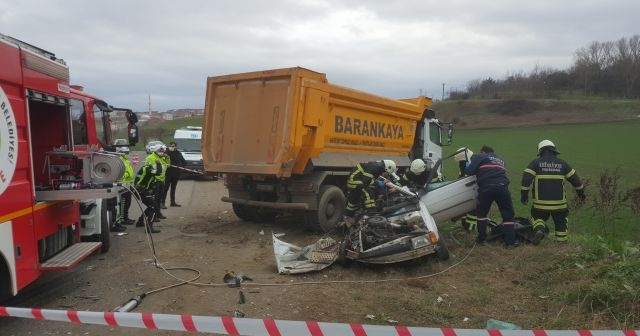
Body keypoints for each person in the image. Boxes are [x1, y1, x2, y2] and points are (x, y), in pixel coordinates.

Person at [521, 140, 585, 244]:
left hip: (540, 204)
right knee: (561, 222)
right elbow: (576, 181)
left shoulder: (535, 163)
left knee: (536, 217)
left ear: (540, 151)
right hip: (560, 205)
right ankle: (561, 243)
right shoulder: (563, 164)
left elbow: (526, 179)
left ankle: (540, 229)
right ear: (554, 150)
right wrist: (581, 194)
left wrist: (524, 195)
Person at [466, 145, 518, 248]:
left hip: (486, 188)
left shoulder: (480, 157)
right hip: (503, 188)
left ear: (482, 152)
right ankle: (510, 242)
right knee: (508, 215)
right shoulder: (501, 159)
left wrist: (466, 164)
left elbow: (469, 171)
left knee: (481, 214)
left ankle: (482, 239)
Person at [135, 144, 164, 233]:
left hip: (141, 190)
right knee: (154, 207)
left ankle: (140, 222)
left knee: (150, 206)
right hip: (141, 191)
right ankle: (149, 227)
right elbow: (159, 172)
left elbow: (141, 180)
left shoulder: (145, 168)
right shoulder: (148, 170)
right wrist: (159, 164)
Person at [454, 147, 478, 233]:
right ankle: (465, 227)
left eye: (461, 161)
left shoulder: (474, 161)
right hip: (467, 189)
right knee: (466, 210)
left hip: (474, 190)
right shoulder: (466, 161)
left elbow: (469, 174)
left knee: (472, 212)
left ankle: (470, 232)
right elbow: (462, 174)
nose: (460, 163)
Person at [144, 144, 168, 219]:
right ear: (156, 151)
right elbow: (147, 169)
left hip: (161, 180)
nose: (161, 152)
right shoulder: (150, 158)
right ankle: (153, 216)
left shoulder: (161, 158)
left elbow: (167, 166)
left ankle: (158, 214)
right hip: (154, 181)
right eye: (160, 151)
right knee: (154, 200)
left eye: (162, 151)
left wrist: (167, 158)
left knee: (159, 199)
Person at [114, 148, 135, 231]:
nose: (126, 153)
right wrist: (125, 175)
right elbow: (120, 172)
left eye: (127, 152)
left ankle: (126, 218)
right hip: (121, 185)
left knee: (127, 202)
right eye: (124, 152)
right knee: (122, 203)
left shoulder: (126, 160)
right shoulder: (119, 160)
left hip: (127, 184)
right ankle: (122, 219)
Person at [163, 141, 187, 207]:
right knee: (166, 188)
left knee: (173, 188)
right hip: (168, 173)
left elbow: (184, 162)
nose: (172, 147)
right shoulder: (167, 153)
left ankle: (172, 202)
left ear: (176, 147)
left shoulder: (178, 153)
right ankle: (162, 202)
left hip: (176, 174)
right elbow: (163, 159)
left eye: (173, 146)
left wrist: (181, 166)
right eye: (171, 146)